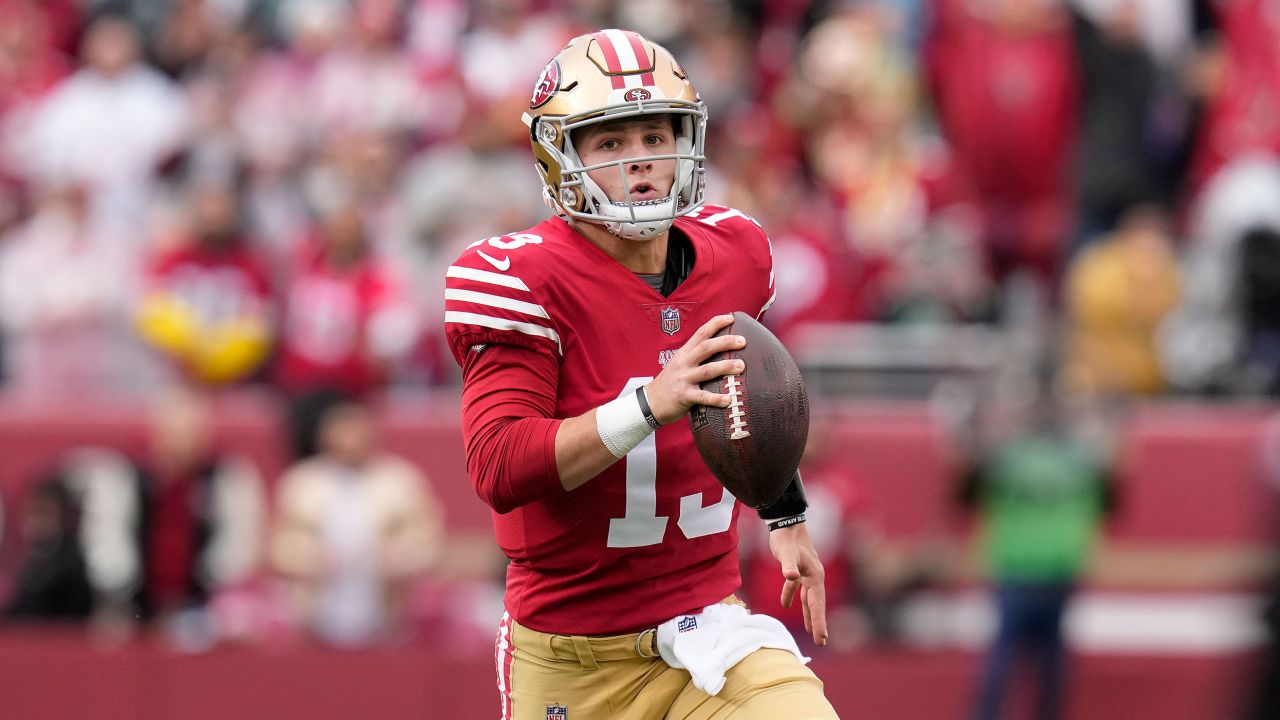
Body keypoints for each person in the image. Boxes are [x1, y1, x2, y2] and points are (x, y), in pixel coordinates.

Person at [443, 30, 837, 719]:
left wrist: (784, 511)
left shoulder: (736, 255)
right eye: (611, 144)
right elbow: (499, 466)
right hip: (571, 653)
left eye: (656, 137)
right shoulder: (524, 279)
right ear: (559, 156)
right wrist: (648, 405)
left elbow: (748, 403)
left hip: (708, 635)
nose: (641, 163)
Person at [269, 396, 442, 648]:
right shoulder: (302, 483)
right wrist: (311, 558)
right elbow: (278, 548)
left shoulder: (401, 481)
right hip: (316, 613)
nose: (350, 439)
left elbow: (429, 545)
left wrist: (396, 558)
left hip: (387, 614)